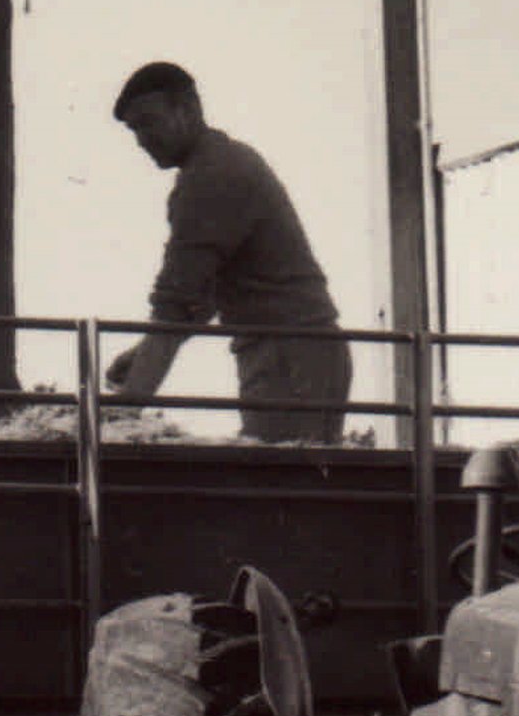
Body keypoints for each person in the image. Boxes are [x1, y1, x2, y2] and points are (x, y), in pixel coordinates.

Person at [104, 63, 353, 444]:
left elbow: (174, 306)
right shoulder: (220, 163)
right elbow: (197, 305)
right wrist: (143, 354)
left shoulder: (213, 176)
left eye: (149, 122)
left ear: (187, 108)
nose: (142, 139)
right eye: (133, 129)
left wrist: (120, 420)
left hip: (288, 355)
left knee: (282, 490)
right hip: (287, 353)